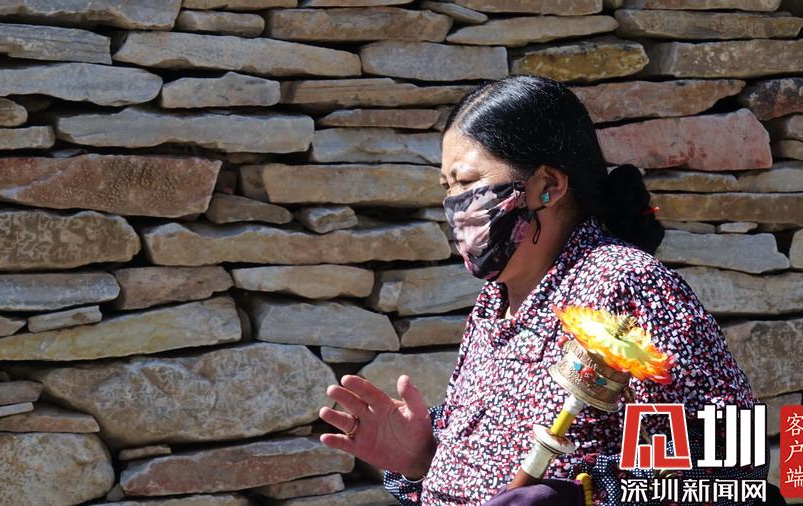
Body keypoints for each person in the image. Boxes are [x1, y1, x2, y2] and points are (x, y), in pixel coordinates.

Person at [317, 75, 769, 505]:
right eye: (447, 188)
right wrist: (422, 460)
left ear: (548, 185)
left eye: (468, 183)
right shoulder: (494, 304)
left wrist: (583, 495)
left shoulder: (625, 285)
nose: (455, 205)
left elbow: (736, 461)